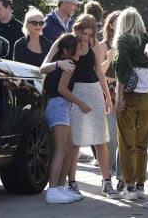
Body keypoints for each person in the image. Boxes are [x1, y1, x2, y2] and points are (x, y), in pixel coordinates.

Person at [41, 14, 118, 199]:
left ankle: (107, 182)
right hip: (73, 92)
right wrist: (59, 63)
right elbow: (43, 66)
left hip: (93, 91)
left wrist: (107, 97)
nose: (85, 38)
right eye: (84, 33)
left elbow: (99, 70)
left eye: (90, 35)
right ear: (77, 29)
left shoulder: (94, 45)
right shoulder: (66, 42)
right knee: (73, 142)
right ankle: (72, 183)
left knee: (100, 139)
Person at [112, 7, 148, 200]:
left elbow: (122, 71)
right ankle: (140, 185)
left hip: (129, 97)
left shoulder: (123, 41)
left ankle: (129, 185)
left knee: (126, 143)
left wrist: (119, 98)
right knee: (142, 143)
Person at [43, 33, 88, 204]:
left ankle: (60, 187)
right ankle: (53, 189)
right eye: (77, 47)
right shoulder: (68, 64)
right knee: (61, 151)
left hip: (61, 107)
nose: (80, 49)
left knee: (69, 149)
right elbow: (62, 89)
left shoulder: (64, 63)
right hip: (59, 107)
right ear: (67, 50)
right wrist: (81, 103)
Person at [99, 10, 124, 189]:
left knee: (124, 136)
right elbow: (98, 70)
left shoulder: (128, 44)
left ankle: (122, 177)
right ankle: (108, 174)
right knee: (111, 138)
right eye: (118, 21)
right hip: (107, 90)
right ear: (111, 25)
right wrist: (109, 58)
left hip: (125, 91)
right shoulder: (103, 45)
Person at [84, 0, 105, 165]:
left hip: (88, 79)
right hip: (101, 80)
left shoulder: (88, 34)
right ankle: (102, 155)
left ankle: (98, 157)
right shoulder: (105, 31)